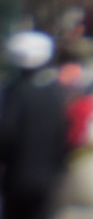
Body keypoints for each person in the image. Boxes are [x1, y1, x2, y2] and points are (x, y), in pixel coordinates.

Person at [0, 30, 70, 219]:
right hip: (48, 177)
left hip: (17, 176)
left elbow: (7, 131)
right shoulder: (56, 91)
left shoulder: (14, 91)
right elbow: (64, 133)